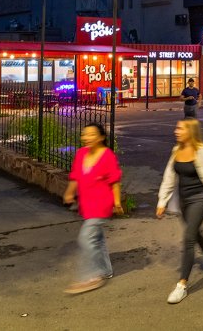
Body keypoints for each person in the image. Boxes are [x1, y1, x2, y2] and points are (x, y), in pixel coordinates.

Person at [157, 119, 203, 303]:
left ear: (191, 131)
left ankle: (182, 285)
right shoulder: (176, 150)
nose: (176, 131)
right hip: (184, 201)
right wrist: (162, 201)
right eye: (176, 127)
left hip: (199, 199)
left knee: (188, 238)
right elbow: (169, 176)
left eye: (180, 128)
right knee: (195, 234)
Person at [63, 122, 123, 294]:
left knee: (86, 239)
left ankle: (91, 276)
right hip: (87, 203)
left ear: (101, 137)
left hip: (102, 204)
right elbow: (75, 177)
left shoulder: (107, 155)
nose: (86, 138)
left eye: (91, 134)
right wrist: (69, 193)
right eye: (84, 134)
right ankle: (105, 270)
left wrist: (117, 202)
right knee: (97, 239)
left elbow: (114, 181)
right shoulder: (81, 153)